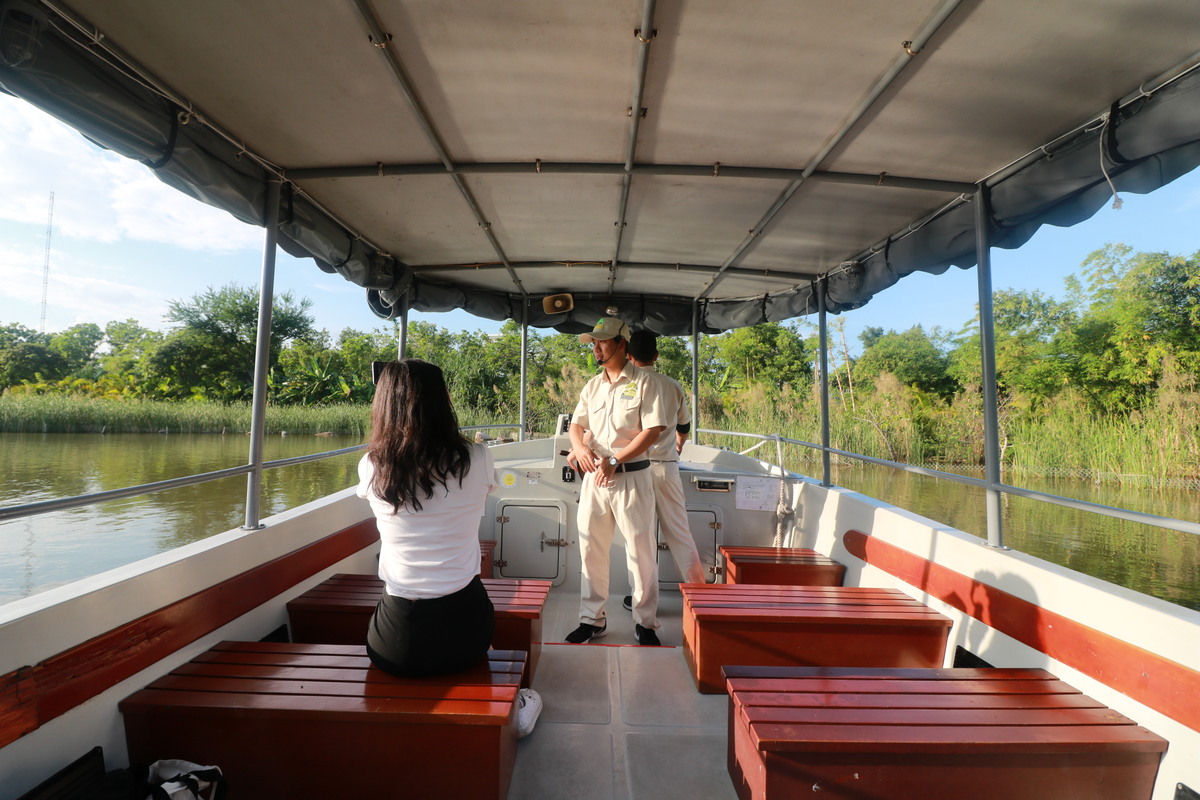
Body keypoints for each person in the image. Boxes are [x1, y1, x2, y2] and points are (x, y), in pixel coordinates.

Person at [356, 359, 541, 736]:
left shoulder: (372, 466)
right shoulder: (477, 458)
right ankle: (517, 706)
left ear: (384, 405)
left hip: (394, 643)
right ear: (443, 401)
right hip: (465, 636)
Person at [566, 318, 670, 646]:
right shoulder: (592, 386)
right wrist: (581, 448)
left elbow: (652, 431)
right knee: (590, 549)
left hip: (632, 477)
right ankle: (591, 620)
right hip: (595, 480)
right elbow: (576, 425)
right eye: (593, 343)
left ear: (621, 344)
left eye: (602, 342)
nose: (596, 348)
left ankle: (645, 623)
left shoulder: (645, 382)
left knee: (641, 552)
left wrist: (615, 460)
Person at [621, 330, 705, 613]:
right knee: (680, 533)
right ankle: (700, 596)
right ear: (656, 356)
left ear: (628, 356)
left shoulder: (625, 386)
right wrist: (678, 444)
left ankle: (641, 599)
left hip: (635, 470)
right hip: (666, 468)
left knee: (638, 538)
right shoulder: (672, 385)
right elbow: (684, 426)